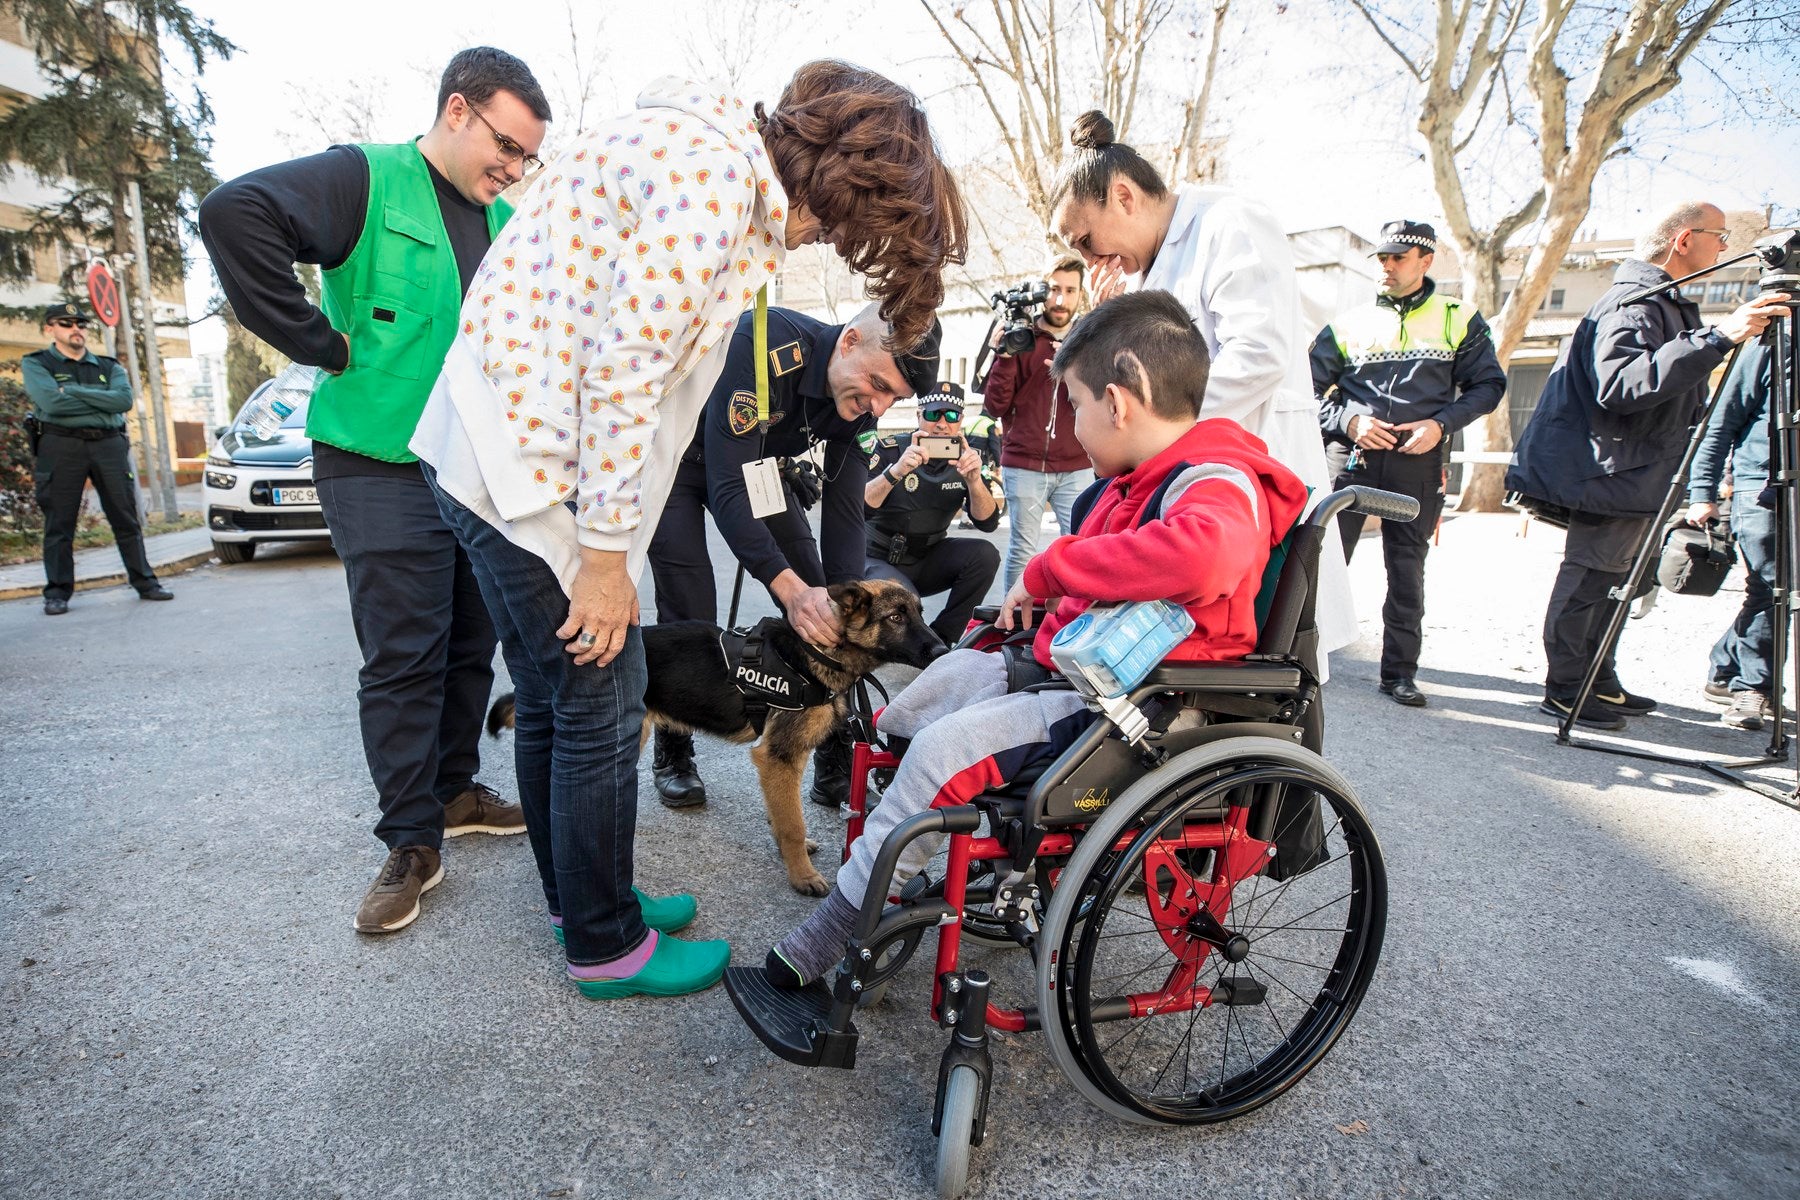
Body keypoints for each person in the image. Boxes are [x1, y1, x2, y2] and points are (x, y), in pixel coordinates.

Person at [410, 63, 967, 1000]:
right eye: (850, 226)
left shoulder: (703, 164)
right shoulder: (712, 188)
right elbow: (626, 377)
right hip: (518, 468)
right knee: (601, 692)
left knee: (557, 695)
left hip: (498, 452)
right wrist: (601, 563)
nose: (832, 241)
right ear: (845, 178)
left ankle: (581, 899)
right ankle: (605, 944)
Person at [759, 289, 1308, 990]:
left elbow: (1204, 560)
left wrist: (1049, 567)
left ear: (1121, 399)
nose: (1072, 424)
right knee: (919, 703)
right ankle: (901, 860)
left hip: (1138, 709)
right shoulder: (1132, 482)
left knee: (941, 750)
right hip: (1077, 675)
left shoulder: (1214, 480)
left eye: (1076, 403)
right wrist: (1037, 602)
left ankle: (843, 918)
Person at [200, 48, 551, 934]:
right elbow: (233, 212)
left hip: (473, 468)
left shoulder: (504, 220)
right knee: (405, 652)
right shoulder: (366, 179)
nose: (511, 168)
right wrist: (318, 341)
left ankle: (455, 788)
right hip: (378, 462)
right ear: (460, 111)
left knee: (473, 640)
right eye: (505, 145)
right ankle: (410, 838)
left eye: (526, 157)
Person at [1046, 110, 1356, 667]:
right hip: (1186, 479)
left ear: (1123, 196)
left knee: (1273, 655)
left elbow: (1259, 352)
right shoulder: (1149, 265)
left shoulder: (1230, 221)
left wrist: (1160, 431)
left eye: (1087, 240)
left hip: (1242, 471)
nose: (1091, 259)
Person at [646, 301, 942, 810]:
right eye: (879, 385)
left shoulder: (859, 399)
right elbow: (727, 487)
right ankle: (674, 749)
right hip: (679, 462)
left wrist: (846, 602)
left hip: (755, 468)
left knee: (822, 592)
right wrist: (789, 592)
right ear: (849, 342)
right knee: (691, 600)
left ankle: (831, 758)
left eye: (895, 397)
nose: (879, 406)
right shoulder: (767, 347)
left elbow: (847, 510)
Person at [1506, 201, 1790, 731]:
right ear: (1684, 240)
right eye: (1719, 236)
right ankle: (1566, 689)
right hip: (1610, 474)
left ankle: (1597, 679)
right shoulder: (1636, 302)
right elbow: (1622, 385)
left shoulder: (1663, 302)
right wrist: (1718, 338)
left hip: (1634, 474)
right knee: (1591, 580)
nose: (1725, 247)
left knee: (1620, 583)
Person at [1312, 220, 1506, 707]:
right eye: (1381, 257)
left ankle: (1399, 673)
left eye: (1398, 257)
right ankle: (1303, 661)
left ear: (1426, 260)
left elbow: (1489, 386)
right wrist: (1348, 422)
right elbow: (1305, 393)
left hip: (1415, 464)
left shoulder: (1459, 317)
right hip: (1350, 458)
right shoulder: (1347, 323)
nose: (1387, 265)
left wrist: (1441, 424)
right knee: (1323, 564)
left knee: (1406, 569)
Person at [23, 302, 174, 615]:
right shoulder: (37, 363)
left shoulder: (108, 366)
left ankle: (146, 582)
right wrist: (96, 403)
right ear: (49, 329)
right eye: (66, 323)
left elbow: (122, 400)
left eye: (80, 323)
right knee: (59, 522)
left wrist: (71, 392)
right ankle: (57, 592)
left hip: (108, 445)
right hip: (60, 447)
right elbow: (50, 402)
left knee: (125, 517)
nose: (75, 328)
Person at [980, 255, 1093, 590]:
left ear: (1079, 294)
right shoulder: (1022, 336)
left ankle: (1072, 619)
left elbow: (1102, 399)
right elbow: (995, 404)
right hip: (1024, 462)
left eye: (1070, 291)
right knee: (1022, 551)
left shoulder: (1089, 338)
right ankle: (1011, 627)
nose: (1061, 299)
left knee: (1081, 547)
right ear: (1042, 290)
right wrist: (1003, 357)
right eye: (1055, 288)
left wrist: (1073, 366)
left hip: (1077, 465)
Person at [864, 381, 1001, 644]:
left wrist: (973, 480)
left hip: (926, 558)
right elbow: (859, 507)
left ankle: (942, 638)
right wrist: (896, 471)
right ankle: (919, 644)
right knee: (906, 598)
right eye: (932, 414)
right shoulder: (892, 449)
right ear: (918, 416)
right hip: (877, 557)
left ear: (960, 421)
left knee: (984, 555)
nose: (941, 423)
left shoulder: (965, 458)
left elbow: (988, 522)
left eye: (950, 416)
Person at [1688, 339, 1778, 730]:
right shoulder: (1772, 342)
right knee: (1772, 587)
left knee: (1781, 589)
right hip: (1761, 485)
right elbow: (1721, 421)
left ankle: (1725, 668)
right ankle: (1752, 688)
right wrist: (1702, 492)